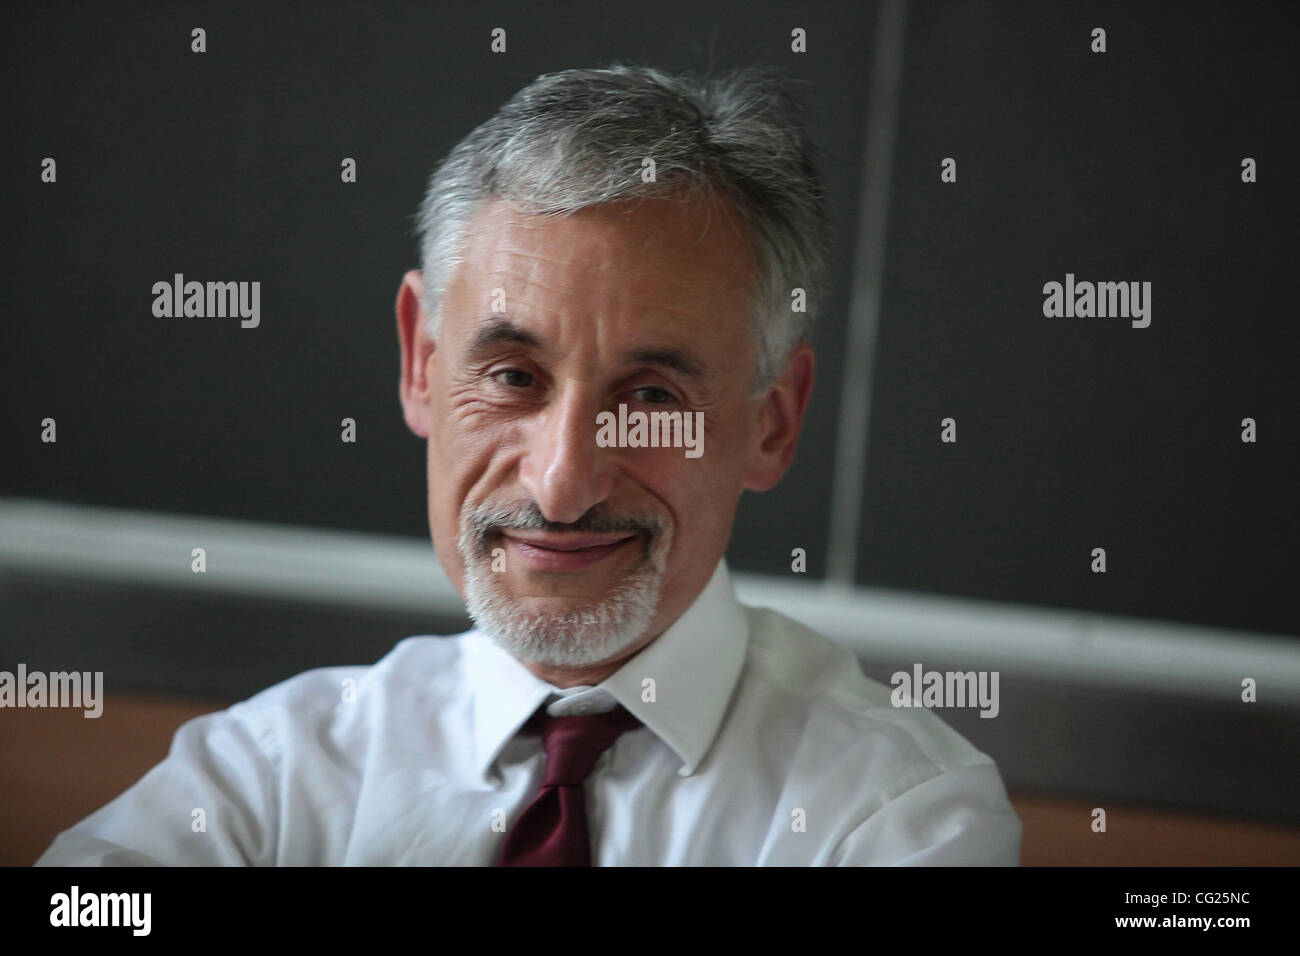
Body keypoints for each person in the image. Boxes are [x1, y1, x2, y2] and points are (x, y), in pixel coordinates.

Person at [36, 65, 1021, 866]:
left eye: (649, 398)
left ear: (770, 422)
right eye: (511, 374)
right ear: (423, 361)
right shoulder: (264, 782)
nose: (560, 484)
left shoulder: (895, 820)